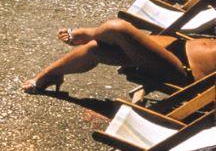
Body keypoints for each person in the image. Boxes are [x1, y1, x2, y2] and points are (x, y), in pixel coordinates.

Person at [22, 18, 216, 94]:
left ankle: (88, 32)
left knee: (117, 29)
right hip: (180, 47)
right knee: (95, 49)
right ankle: (51, 74)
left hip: (184, 71)